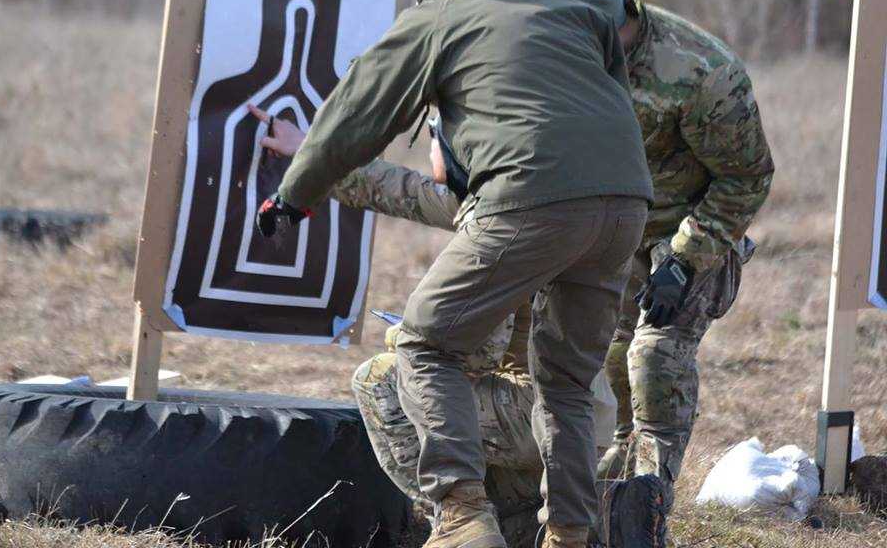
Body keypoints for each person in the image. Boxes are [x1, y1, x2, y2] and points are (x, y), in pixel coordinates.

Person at [256, 0, 654, 548]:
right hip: (627, 203)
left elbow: (356, 111)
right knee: (568, 383)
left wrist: (294, 193)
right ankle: (571, 536)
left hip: (532, 198)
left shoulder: (442, 15)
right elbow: (606, 100)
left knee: (423, 346)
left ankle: (463, 521)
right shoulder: (576, 17)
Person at [253, 108, 619, 547]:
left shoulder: (499, 223)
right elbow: (401, 190)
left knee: (386, 379)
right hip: (585, 423)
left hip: (537, 417)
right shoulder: (538, 196)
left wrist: (406, 331)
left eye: (432, 138)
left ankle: (460, 525)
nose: (429, 153)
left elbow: (472, 348)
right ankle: (542, 521)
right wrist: (312, 154)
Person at [547, 0, 775, 519]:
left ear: (609, 20)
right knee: (612, 360)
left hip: (693, 231)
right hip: (612, 232)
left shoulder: (699, 71)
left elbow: (747, 176)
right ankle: (612, 484)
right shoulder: (558, 53)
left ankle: (644, 505)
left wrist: (685, 258)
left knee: (654, 356)